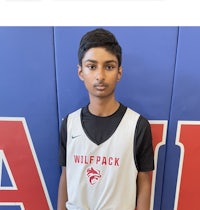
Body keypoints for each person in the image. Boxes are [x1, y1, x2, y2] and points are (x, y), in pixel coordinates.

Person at [57, 28, 154, 210]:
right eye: (92, 66)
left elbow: (144, 182)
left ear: (119, 72)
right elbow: (65, 176)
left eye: (109, 66)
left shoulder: (137, 125)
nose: (100, 76)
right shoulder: (69, 124)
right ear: (80, 72)